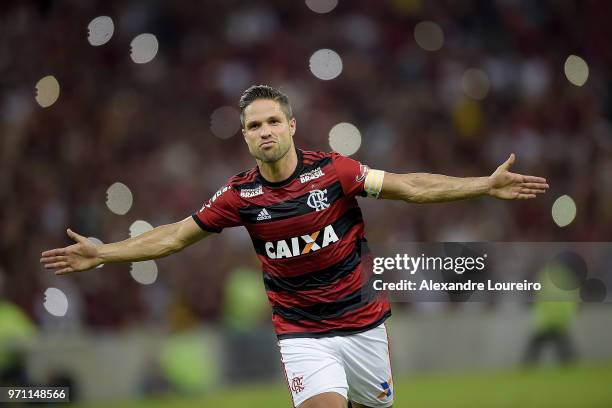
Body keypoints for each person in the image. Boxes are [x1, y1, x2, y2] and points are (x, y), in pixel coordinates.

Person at [41, 85, 549, 408]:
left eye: (271, 121)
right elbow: (175, 235)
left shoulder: (334, 172)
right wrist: (104, 252)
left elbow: (411, 187)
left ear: (290, 127)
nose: (264, 131)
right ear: (244, 137)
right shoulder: (240, 195)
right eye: (253, 125)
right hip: (302, 333)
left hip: (363, 325)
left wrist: (484, 184)